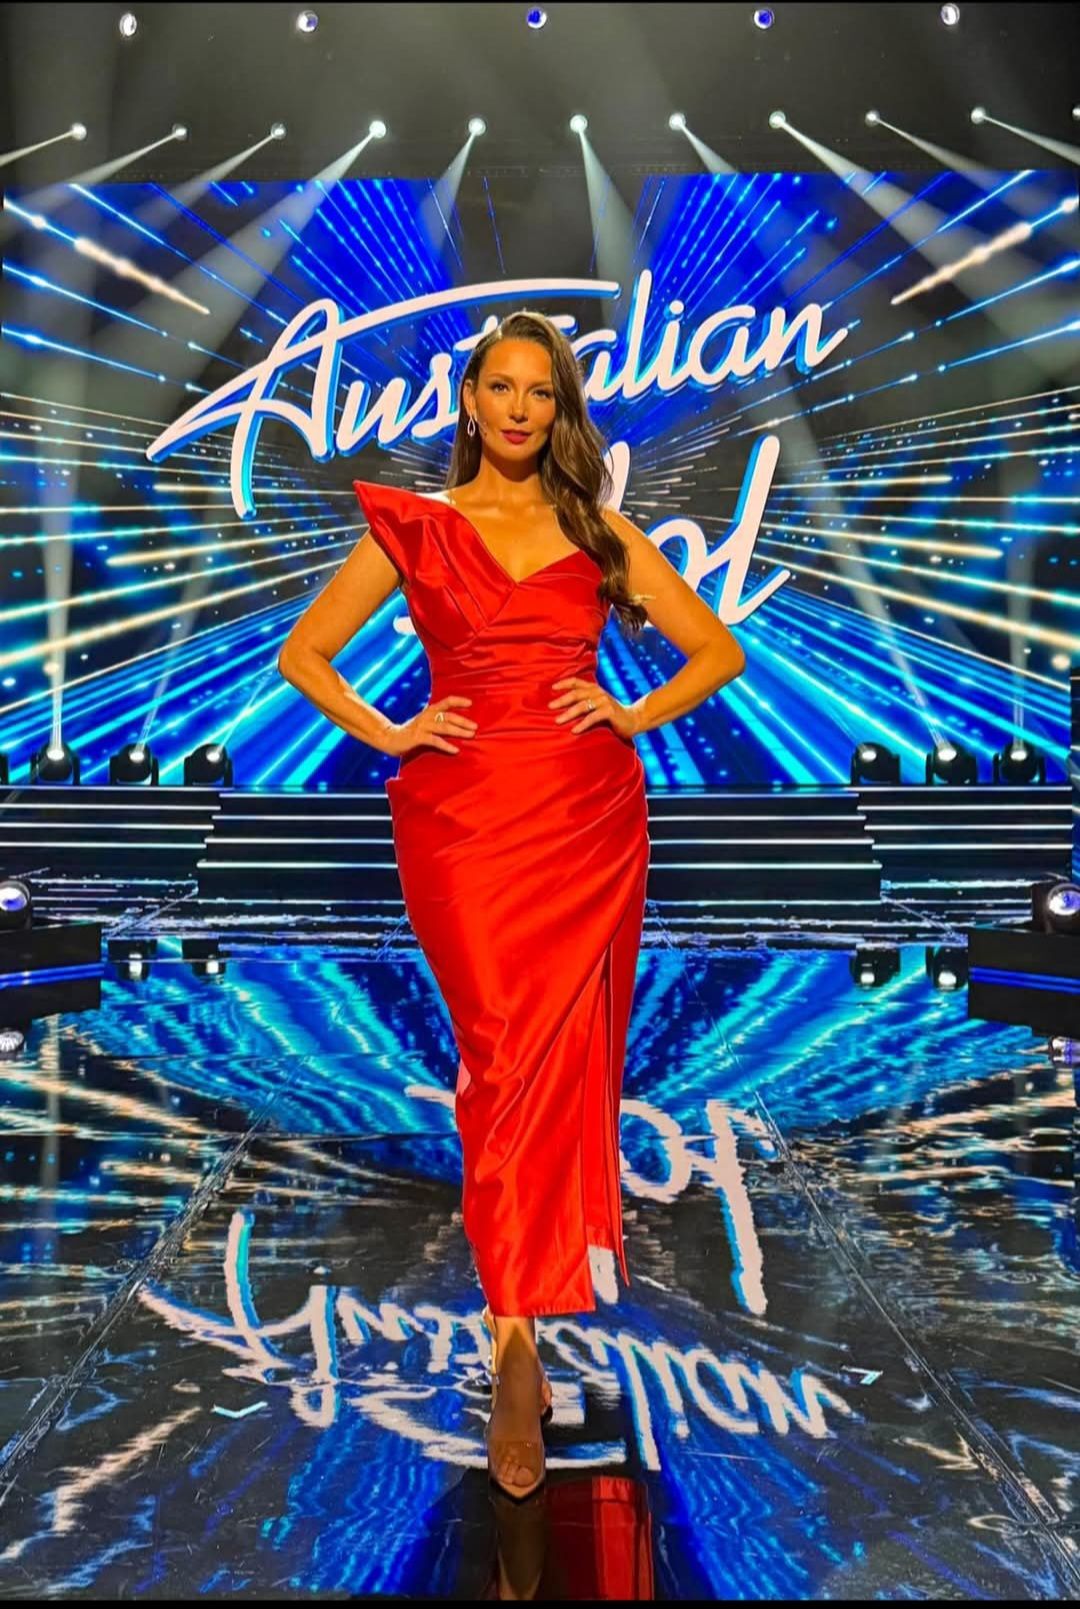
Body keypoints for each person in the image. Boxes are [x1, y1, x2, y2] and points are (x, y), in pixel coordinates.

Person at [277, 310, 746, 1503]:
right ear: (471, 400)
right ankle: (516, 1321)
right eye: (504, 387)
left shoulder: (594, 528)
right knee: (497, 1052)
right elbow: (305, 654)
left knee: (546, 1061)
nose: (523, 408)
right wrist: (392, 730)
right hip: (463, 820)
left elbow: (715, 652)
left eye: (543, 390)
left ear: (559, 408)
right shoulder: (420, 526)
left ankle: (516, 1337)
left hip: (584, 817)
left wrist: (630, 716)